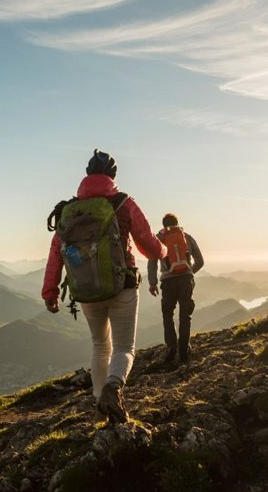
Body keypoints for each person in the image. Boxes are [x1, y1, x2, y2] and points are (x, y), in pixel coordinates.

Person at [42, 149, 167, 423]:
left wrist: (50, 293)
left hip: (86, 291)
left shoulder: (69, 211)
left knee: (100, 345)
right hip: (122, 286)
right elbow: (148, 243)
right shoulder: (124, 203)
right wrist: (163, 251)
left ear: (87, 176)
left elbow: (55, 255)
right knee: (124, 347)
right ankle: (114, 387)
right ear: (113, 176)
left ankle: (100, 408)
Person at [148, 213, 204, 364]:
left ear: (163, 224)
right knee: (185, 315)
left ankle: (172, 347)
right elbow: (200, 261)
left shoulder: (159, 239)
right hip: (186, 280)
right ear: (177, 223)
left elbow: (152, 262)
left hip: (168, 282)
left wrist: (152, 282)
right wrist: (190, 272)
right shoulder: (186, 237)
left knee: (168, 314)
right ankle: (184, 349)